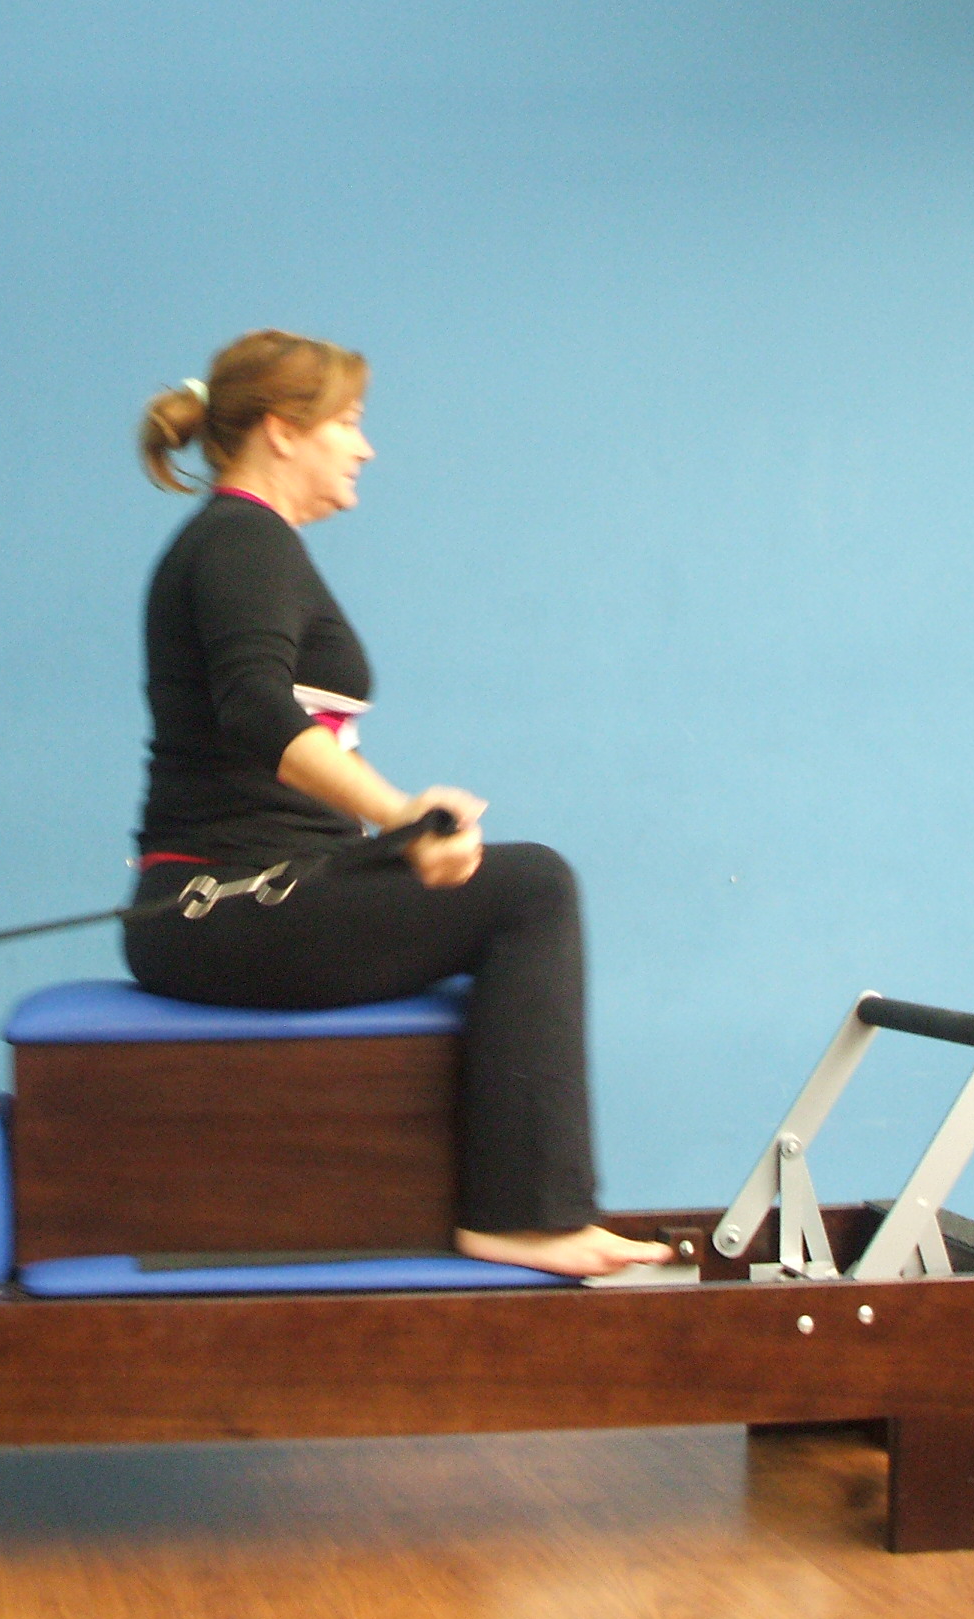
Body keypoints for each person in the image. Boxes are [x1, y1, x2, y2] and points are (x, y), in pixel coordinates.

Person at [123, 329, 671, 1278]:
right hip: (216, 906)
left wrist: (399, 832)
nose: (365, 447)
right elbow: (256, 711)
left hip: (259, 886)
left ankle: (523, 1204)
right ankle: (522, 1217)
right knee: (532, 888)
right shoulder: (243, 539)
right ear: (281, 431)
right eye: (348, 423)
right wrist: (397, 813)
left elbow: (283, 736)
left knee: (508, 882)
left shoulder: (249, 542)